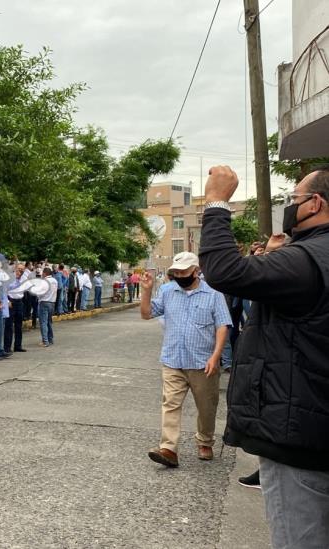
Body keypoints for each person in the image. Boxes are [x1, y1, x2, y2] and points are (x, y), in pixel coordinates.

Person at [199, 165, 329, 548]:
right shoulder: (307, 258)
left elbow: (223, 269)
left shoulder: (310, 258)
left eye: (294, 200)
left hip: (301, 436)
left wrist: (217, 202)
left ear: (315, 204)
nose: (290, 207)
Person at [140, 252, 231, 468]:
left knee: (206, 407)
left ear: (196, 271)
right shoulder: (167, 290)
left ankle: (205, 441)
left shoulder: (213, 294)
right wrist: (145, 292)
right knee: (170, 404)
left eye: (184, 272)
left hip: (203, 362)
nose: (180, 275)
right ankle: (168, 449)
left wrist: (216, 356)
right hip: (173, 360)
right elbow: (146, 314)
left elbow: (222, 325)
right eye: (176, 272)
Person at [4, 264, 26, 353]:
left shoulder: (24, 279)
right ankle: (7, 347)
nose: (20, 271)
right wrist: (7, 301)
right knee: (9, 325)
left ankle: (18, 346)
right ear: (15, 269)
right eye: (19, 269)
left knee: (19, 325)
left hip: (19, 301)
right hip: (11, 301)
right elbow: (4, 290)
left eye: (22, 269)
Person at [38, 267, 58, 347]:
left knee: (43, 322)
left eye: (43, 273)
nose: (42, 274)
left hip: (44, 302)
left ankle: (45, 341)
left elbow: (40, 292)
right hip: (52, 302)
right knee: (49, 322)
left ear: (45, 273)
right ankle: (50, 339)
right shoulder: (55, 281)